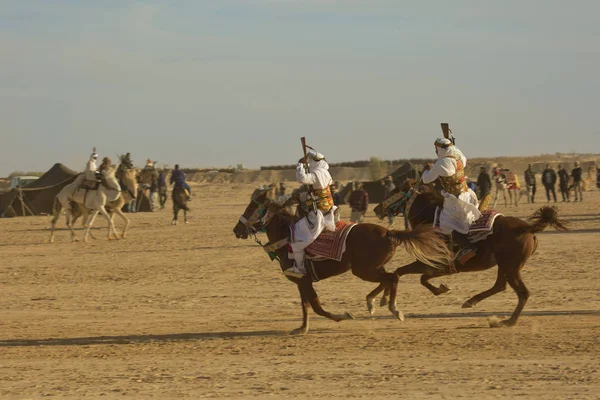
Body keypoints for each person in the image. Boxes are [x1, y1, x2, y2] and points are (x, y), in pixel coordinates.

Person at [422, 138, 481, 264]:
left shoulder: (441, 163)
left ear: (439, 148)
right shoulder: (459, 158)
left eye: (436, 149)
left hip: (455, 200)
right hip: (467, 194)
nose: (435, 151)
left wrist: (427, 170)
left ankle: (467, 248)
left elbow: (426, 180)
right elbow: (456, 153)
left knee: (446, 223)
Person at [285, 149, 336, 278]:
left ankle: (300, 269)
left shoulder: (317, 173)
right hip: (328, 208)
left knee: (297, 236)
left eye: (311, 161)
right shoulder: (326, 173)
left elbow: (301, 178)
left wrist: (300, 164)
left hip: (319, 212)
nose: (310, 163)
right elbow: (318, 192)